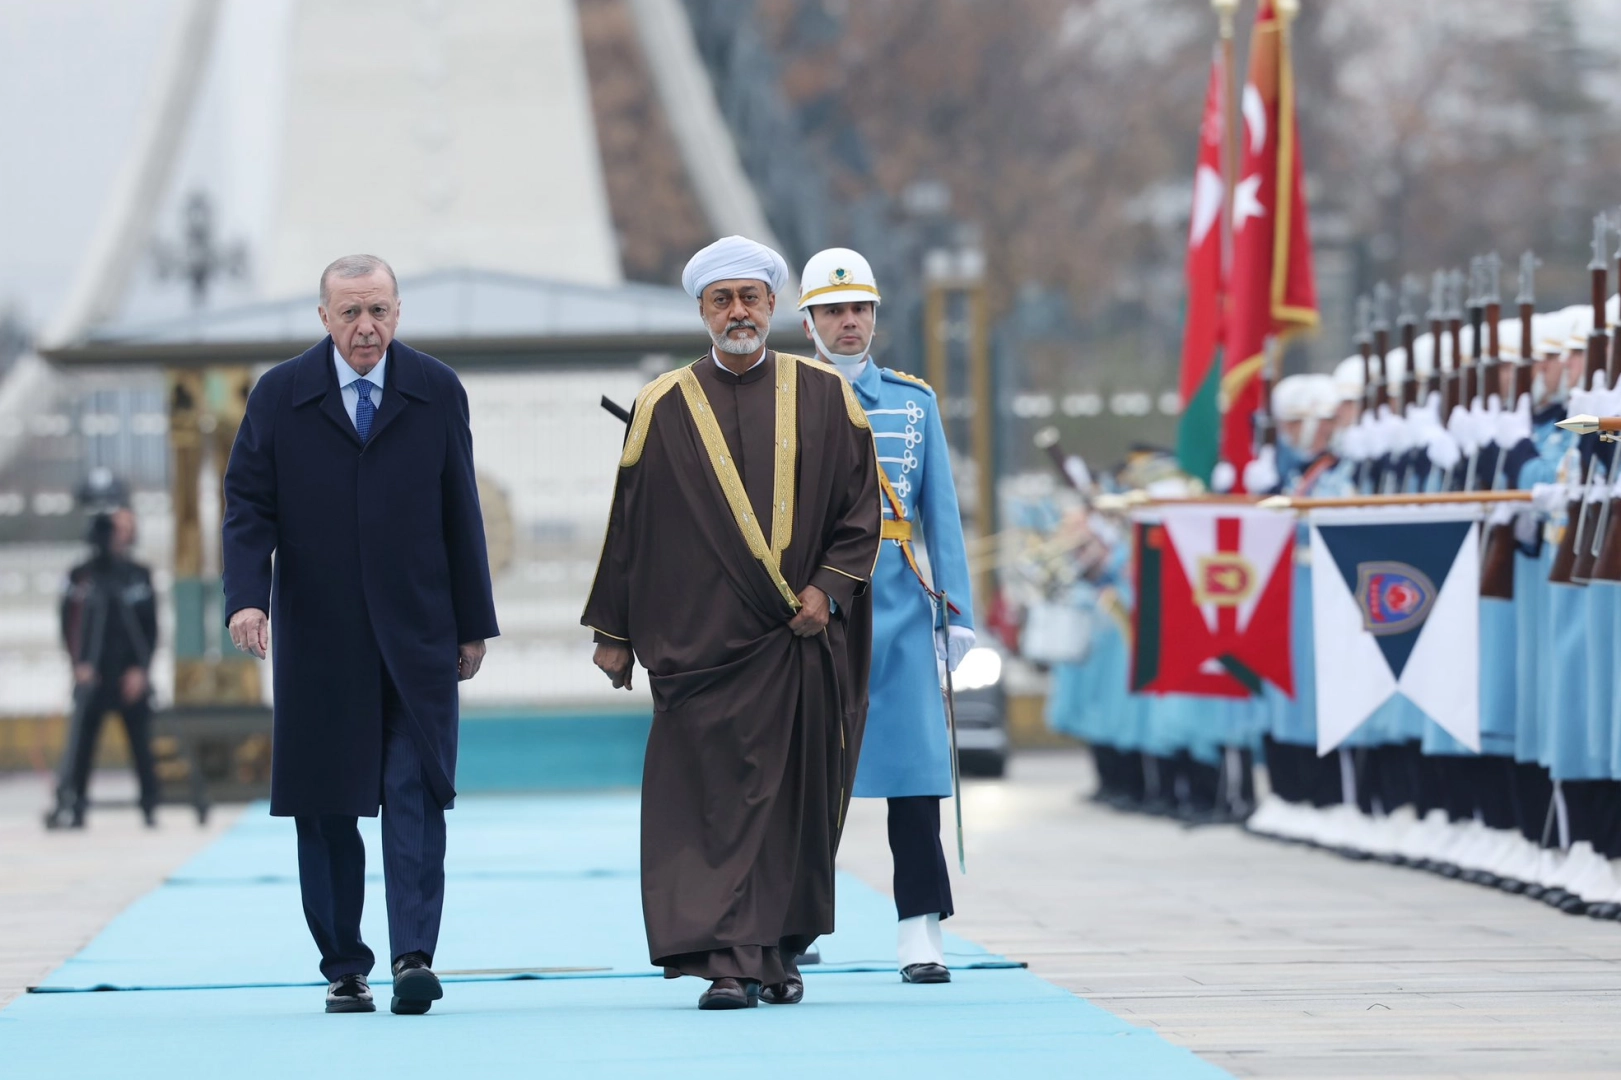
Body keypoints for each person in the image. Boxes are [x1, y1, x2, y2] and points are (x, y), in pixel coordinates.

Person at [583, 235, 881, 1010]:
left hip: (797, 641)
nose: (738, 312)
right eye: (723, 301)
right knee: (709, 808)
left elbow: (860, 512)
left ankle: (775, 952)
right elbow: (630, 525)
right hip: (699, 647)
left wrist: (827, 591)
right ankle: (725, 962)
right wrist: (614, 632)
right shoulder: (663, 404)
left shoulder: (826, 395)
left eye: (750, 298)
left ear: (773, 307)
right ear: (703, 312)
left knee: (788, 806)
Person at [222, 254, 498, 1016]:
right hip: (319, 638)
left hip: (418, 634)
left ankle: (414, 957)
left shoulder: (436, 390)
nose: (366, 326)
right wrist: (246, 600)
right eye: (350, 313)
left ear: (398, 312)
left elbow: (461, 509)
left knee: (415, 791)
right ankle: (345, 965)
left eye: (378, 310)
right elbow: (248, 505)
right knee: (326, 804)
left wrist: (473, 623)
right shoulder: (280, 396)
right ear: (324, 318)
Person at [797, 246, 972, 984]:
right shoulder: (785, 397)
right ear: (808, 321)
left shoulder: (913, 402)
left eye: (860, 308)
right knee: (804, 775)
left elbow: (941, 516)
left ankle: (920, 929)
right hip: (812, 611)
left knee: (915, 776)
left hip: (898, 609)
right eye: (833, 310)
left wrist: (955, 614)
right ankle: (793, 922)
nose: (849, 321)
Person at [48, 507, 159, 830]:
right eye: (116, 528)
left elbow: (150, 628)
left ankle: (150, 804)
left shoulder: (138, 574)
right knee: (81, 746)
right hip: (92, 675)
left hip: (129, 675)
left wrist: (141, 670)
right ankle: (75, 803)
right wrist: (78, 664)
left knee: (142, 745)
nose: (121, 535)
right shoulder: (80, 576)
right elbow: (67, 621)